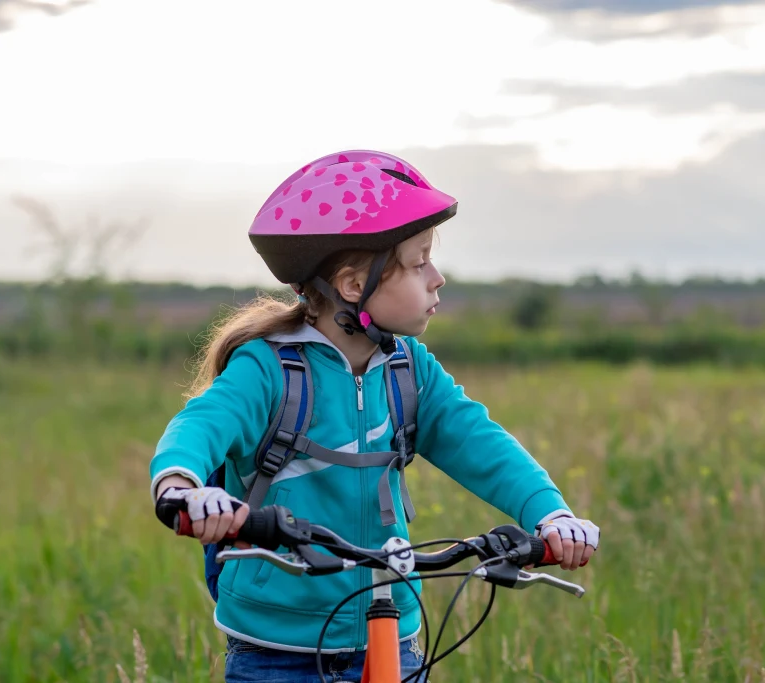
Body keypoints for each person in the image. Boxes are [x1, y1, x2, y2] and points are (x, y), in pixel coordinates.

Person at [149, 150, 601, 682]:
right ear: (350, 285)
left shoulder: (409, 369)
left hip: (393, 631)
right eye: (417, 262)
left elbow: (478, 440)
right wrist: (182, 486)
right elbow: (202, 424)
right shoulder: (271, 369)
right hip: (276, 647)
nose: (438, 277)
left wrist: (550, 514)